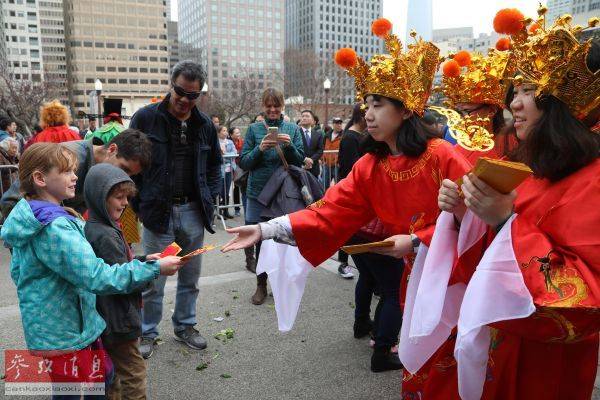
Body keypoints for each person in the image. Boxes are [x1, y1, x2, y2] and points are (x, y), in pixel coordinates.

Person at [223, 19, 471, 370]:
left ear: (404, 109)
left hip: (449, 273)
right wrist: (265, 230)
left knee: (450, 355)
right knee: (421, 364)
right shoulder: (371, 165)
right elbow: (329, 209)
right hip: (411, 276)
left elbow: (477, 223)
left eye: (378, 105)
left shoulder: (442, 156)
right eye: (366, 104)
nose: (367, 114)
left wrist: (419, 241)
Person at [402, 10, 600, 399]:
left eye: (529, 91)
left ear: (561, 105)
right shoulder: (527, 168)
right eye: (517, 92)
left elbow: (583, 304)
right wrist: (465, 215)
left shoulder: (593, 181)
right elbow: (483, 258)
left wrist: (505, 220)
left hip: (543, 367)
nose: (516, 104)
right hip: (496, 343)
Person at [0, 143, 183, 400]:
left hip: (55, 328)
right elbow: (97, 276)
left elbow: (21, 273)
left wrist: (142, 262)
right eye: (65, 171)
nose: (75, 177)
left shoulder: (33, 216)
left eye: (74, 170)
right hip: (67, 333)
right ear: (40, 179)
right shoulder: (54, 228)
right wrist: (153, 269)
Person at [129, 60, 222, 359]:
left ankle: (185, 326)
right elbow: (129, 165)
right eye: (180, 92)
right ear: (172, 85)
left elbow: (215, 167)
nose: (184, 100)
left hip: (193, 213)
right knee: (154, 278)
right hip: (159, 213)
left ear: (199, 95)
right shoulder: (145, 118)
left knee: (190, 277)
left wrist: (210, 196)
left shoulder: (205, 125)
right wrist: (139, 204)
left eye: (192, 95)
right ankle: (147, 332)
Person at [84, 164, 156, 400]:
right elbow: (123, 278)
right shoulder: (105, 234)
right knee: (133, 373)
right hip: (119, 319)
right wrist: (154, 269)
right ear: (99, 196)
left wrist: (145, 259)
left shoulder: (96, 226)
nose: (125, 203)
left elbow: (121, 264)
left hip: (105, 318)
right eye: (118, 197)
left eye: (127, 197)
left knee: (112, 376)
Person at [239, 87, 305, 305]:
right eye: (269, 106)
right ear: (263, 107)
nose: (273, 110)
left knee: (284, 240)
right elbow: (244, 162)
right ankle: (261, 284)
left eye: (276, 106)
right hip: (258, 193)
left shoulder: (292, 129)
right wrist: (260, 148)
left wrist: (288, 147)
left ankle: (281, 283)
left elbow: (299, 160)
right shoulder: (254, 129)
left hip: (283, 194)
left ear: (282, 106)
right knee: (260, 239)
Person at [1, 129, 152, 218]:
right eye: (124, 169)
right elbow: (10, 201)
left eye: (130, 175)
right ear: (112, 149)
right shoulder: (69, 157)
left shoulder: (101, 171)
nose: (123, 178)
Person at [438, 48, 516, 164]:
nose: (463, 119)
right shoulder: (459, 149)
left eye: (467, 112)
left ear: (492, 111)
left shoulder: (513, 144)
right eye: (459, 113)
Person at [217, 125, 237, 219]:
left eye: (226, 130)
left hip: (229, 169)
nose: (225, 132)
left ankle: (225, 211)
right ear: (219, 132)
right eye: (223, 130)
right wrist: (222, 156)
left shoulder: (230, 142)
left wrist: (225, 154)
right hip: (219, 169)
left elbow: (235, 153)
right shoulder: (215, 142)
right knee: (220, 190)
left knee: (227, 190)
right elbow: (216, 155)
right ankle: (218, 210)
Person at [298, 110, 324, 178]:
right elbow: (295, 149)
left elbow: (320, 150)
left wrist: (311, 160)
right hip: (299, 168)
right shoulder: (296, 133)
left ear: (312, 120)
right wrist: (304, 160)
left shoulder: (318, 134)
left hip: (314, 168)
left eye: (307, 116)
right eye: (302, 116)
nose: (304, 118)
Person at [322, 116, 344, 191]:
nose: (339, 125)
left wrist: (339, 161)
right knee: (324, 185)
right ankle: (324, 200)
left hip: (337, 164)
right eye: (337, 123)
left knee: (338, 185)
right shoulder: (326, 135)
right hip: (327, 164)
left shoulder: (344, 135)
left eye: (340, 123)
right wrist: (323, 159)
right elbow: (322, 147)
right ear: (333, 124)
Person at [229, 126, 245, 217]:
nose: (238, 134)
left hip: (240, 168)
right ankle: (231, 209)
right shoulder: (228, 142)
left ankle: (239, 208)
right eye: (236, 133)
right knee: (229, 188)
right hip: (230, 167)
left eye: (239, 132)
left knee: (239, 187)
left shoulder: (242, 142)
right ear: (231, 135)